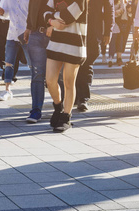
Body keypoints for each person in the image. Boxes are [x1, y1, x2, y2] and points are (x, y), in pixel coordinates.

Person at [44, 0, 88, 132]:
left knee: (69, 82)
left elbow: (68, 18)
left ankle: (66, 117)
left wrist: (52, 18)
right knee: (50, 80)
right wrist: (52, 21)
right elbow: (44, 11)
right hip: (56, 42)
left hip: (75, 43)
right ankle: (58, 107)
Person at [75, 0, 114, 112]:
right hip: (74, 28)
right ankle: (73, 95)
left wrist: (108, 31)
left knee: (86, 64)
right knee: (73, 63)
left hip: (93, 31)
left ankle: (83, 98)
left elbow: (109, 9)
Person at [0, 0, 30, 101]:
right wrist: (1, 13)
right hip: (12, 33)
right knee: (8, 63)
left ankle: (34, 88)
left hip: (27, 34)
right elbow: (5, 15)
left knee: (32, 63)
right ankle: (7, 90)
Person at [23, 0, 51, 123]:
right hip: (36, 33)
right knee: (37, 73)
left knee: (59, 76)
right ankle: (36, 110)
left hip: (56, 35)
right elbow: (32, 6)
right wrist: (29, 27)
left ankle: (60, 110)